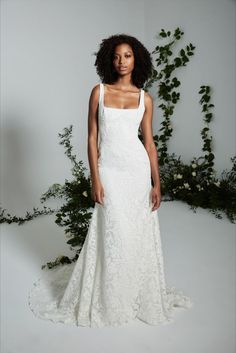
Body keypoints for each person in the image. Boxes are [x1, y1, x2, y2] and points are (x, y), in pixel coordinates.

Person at [28, 34, 193, 328]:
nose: (122, 62)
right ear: (109, 59)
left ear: (136, 59)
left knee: (135, 229)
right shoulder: (99, 92)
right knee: (112, 228)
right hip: (111, 170)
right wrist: (96, 178)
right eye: (117, 56)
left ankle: (134, 289)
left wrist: (157, 183)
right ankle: (108, 294)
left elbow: (150, 144)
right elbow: (92, 139)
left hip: (137, 169)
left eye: (127, 56)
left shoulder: (145, 98)